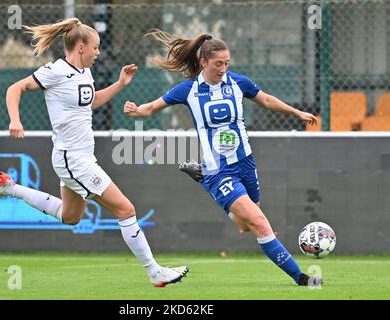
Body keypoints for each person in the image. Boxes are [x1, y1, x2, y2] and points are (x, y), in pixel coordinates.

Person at [0, 19, 188, 288]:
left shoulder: (83, 73)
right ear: (80, 47)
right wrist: (15, 120)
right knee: (125, 209)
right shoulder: (55, 71)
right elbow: (14, 89)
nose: (98, 52)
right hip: (73, 158)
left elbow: (91, 102)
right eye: (96, 47)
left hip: (79, 158)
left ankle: (10, 188)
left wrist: (121, 84)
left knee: (70, 216)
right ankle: (154, 272)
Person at [123, 29, 321, 286]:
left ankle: (201, 177)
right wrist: (136, 110)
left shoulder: (238, 83)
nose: (223, 68)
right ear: (203, 62)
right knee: (261, 224)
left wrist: (297, 112)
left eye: (227, 63)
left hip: (246, 163)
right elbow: (151, 108)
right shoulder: (188, 90)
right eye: (218, 64)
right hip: (220, 170)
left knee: (246, 224)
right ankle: (303, 279)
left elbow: (267, 99)